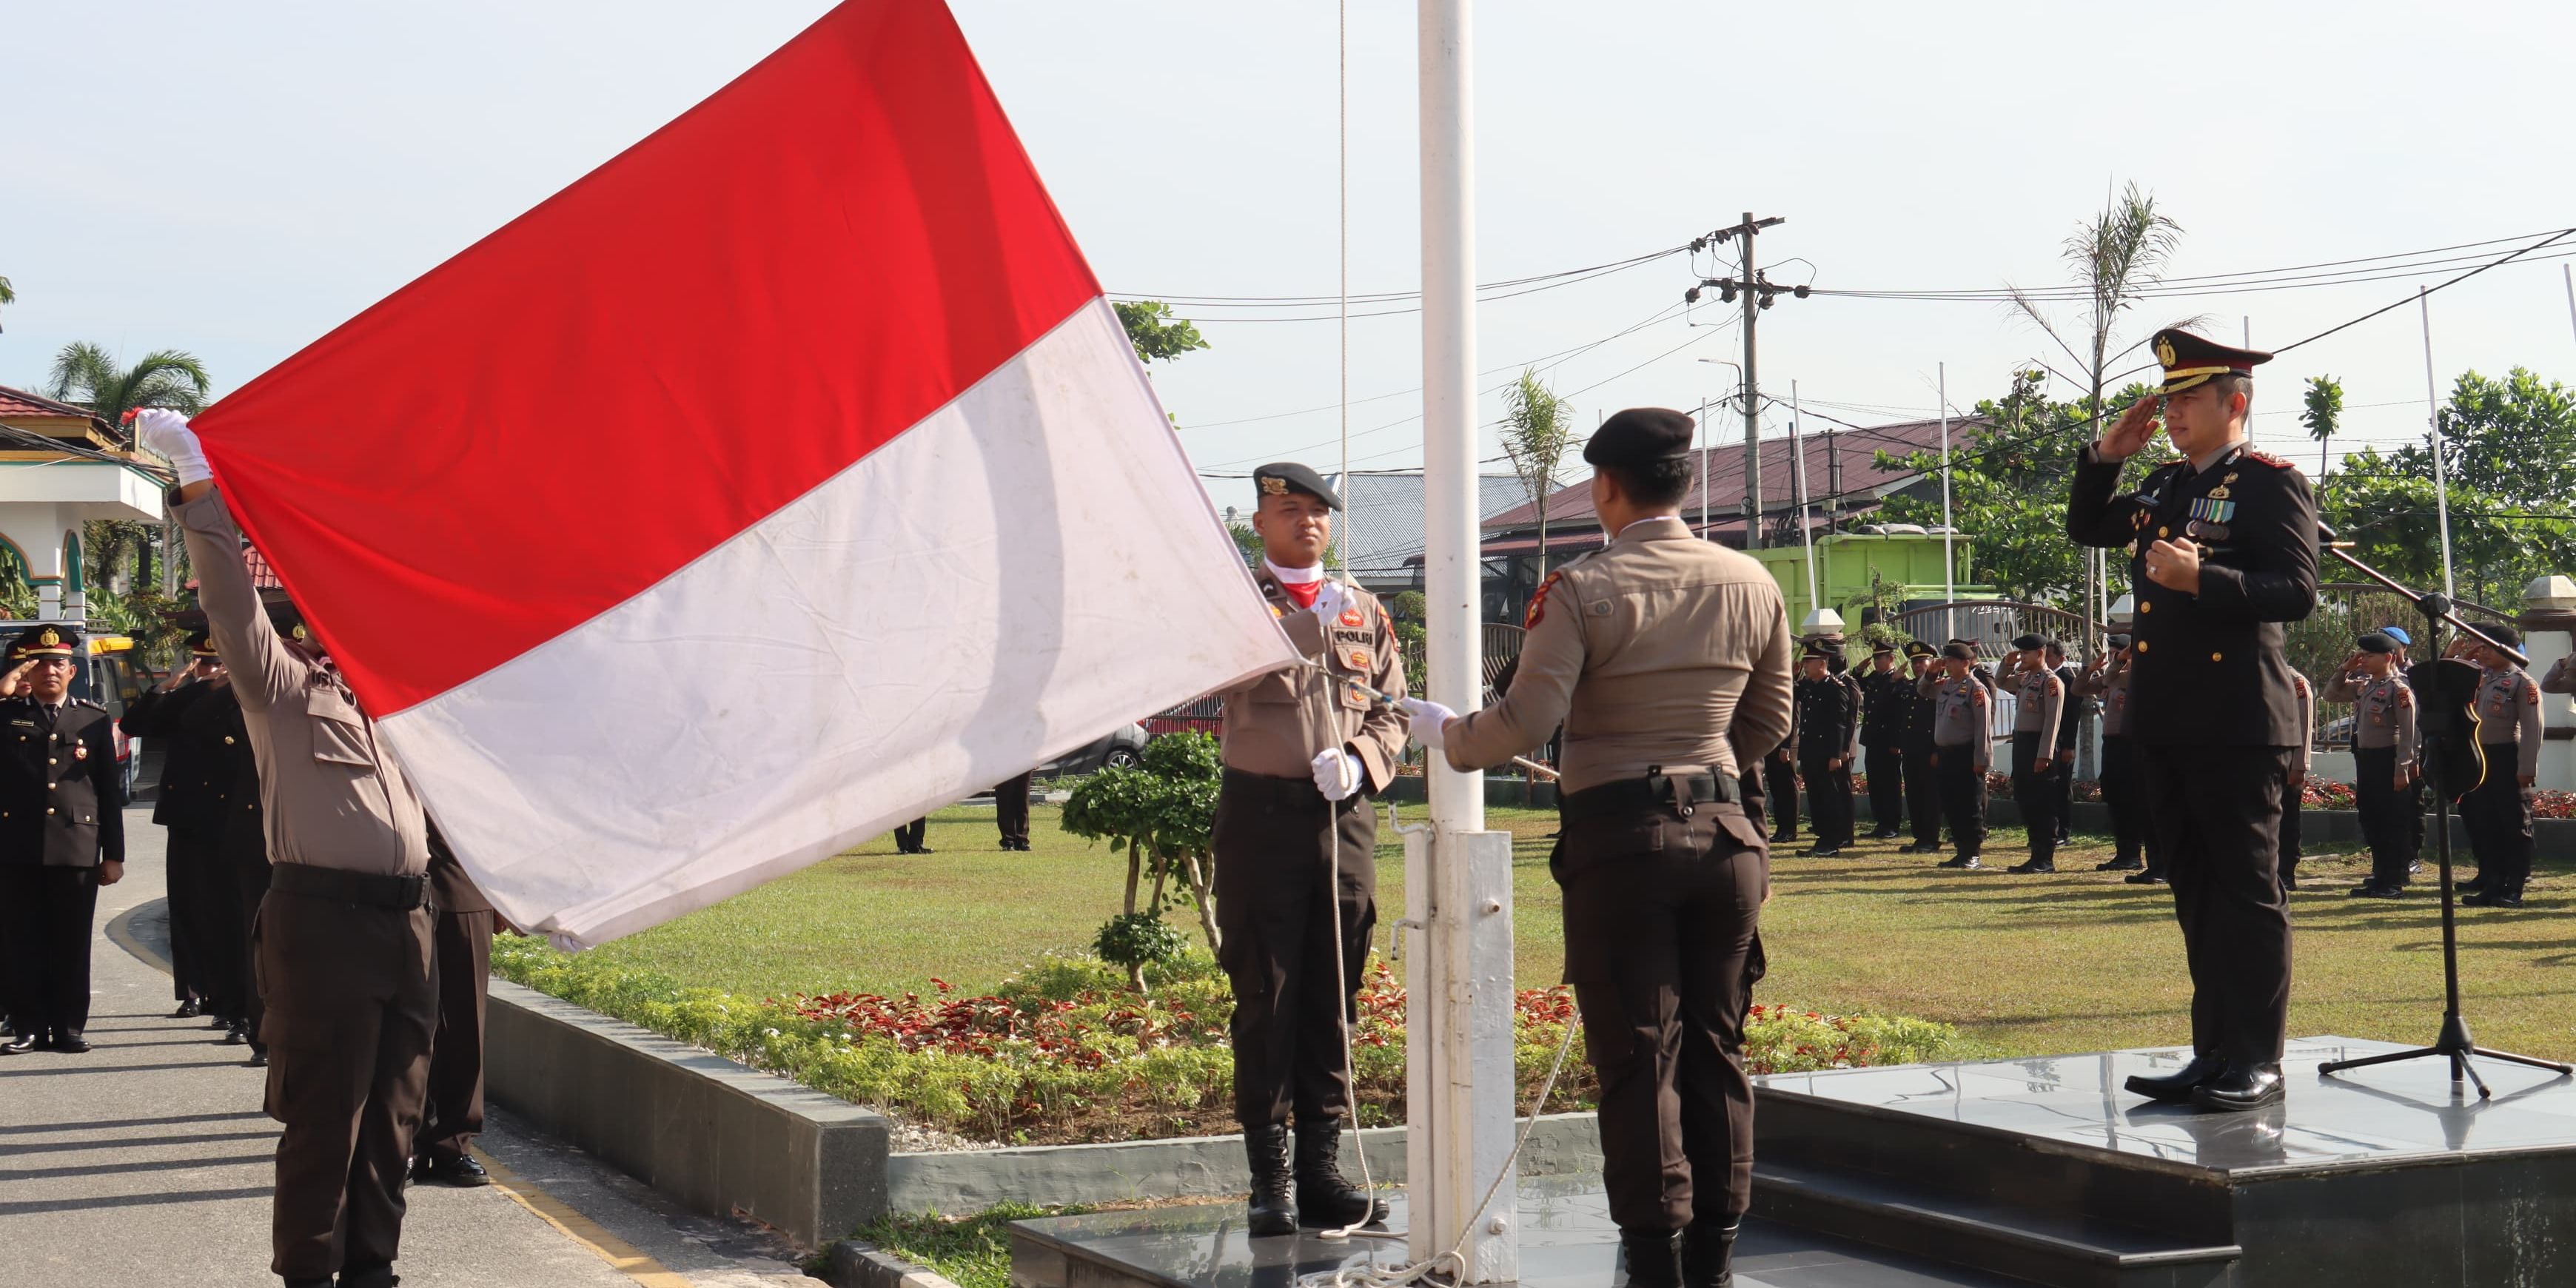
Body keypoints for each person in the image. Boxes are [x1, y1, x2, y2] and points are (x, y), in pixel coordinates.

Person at [1406, 407, 1791, 1288]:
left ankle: (1654, 1262)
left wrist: (1447, 735)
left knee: (1638, 1056)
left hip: (1623, 842)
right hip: (1727, 836)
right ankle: (1717, 1261)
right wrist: (1707, 766)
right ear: (1684, 483)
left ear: (1606, 487)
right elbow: (1768, 722)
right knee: (1717, 1048)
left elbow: (1527, 720)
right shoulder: (1751, 581)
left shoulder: (1582, 587)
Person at [138, 408, 438, 1288]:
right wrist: (197, 482)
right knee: (326, 1118)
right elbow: (228, 599)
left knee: (394, 1117)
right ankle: (309, 1273)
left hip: (406, 927)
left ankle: (372, 1271)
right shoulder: (280, 687)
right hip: (323, 922)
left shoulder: (391, 706)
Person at [2067, 328, 2319, 1113]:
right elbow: (2087, 526)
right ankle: (2214, 1053)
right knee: (2195, 892)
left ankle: (2258, 1059)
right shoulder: (2168, 485)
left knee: (2248, 896)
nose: (2172, 412)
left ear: (2234, 402)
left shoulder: (2272, 484)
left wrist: (2203, 577)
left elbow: (2296, 590)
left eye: (2188, 398)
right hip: (2168, 721)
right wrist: (2105, 458)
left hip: (2239, 721)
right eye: (2168, 399)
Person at [1206, 462, 1406, 1236]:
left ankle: (1322, 1171)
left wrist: (1361, 760)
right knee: (1268, 992)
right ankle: (1272, 1182)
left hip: (1340, 819)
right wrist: (1305, 623)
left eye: (1319, 511)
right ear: (1259, 522)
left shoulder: (1363, 608)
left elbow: (1389, 704)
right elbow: (1227, 672)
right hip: (1261, 817)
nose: (1308, 523)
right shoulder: (1237, 602)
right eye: (1289, 510)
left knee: (1333, 992)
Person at [0, 625, 126, 1056]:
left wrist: (115, 855)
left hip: (77, 845)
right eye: (40, 664)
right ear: (26, 670)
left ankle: (69, 1027)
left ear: (72, 671)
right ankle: (28, 1026)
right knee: (21, 939)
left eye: (58, 664)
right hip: (16, 845)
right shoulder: (7, 714)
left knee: (72, 942)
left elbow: (109, 791)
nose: (50, 671)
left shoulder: (92, 718)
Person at [416, 827, 497, 1187]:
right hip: (389, 879)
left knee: (465, 1022)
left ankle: (453, 1144)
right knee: (404, 1028)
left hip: (463, 878)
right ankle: (403, 1143)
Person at [2327, 634, 2418, 899]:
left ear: (2388, 657)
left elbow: (2410, 733)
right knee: (2372, 819)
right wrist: (2345, 668)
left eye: (2369, 656)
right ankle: (2380, 875)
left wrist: (2403, 768)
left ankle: (2393, 879)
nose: (2363, 660)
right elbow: (2330, 694)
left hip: (2388, 759)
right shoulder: (2365, 686)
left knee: (2391, 821)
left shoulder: (2399, 689)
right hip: (2366, 759)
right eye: (2362, 655)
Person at [2460, 625, 2543, 908]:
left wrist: (2527, 767)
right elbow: (2444, 677)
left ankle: (2514, 887)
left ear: (2506, 650)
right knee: (2486, 822)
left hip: (2508, 757)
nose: (2481, 651)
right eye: (2479, 646)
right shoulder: (2478, 678)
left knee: (2514, 824)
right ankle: (2493, 884)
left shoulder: (2522, 683)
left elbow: (2533, 728)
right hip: (2480, 759)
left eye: (2487, 646)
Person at [2075, 639, 2146, 873]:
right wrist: (2091, 668)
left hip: (2129, 744)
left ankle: (2132, 853)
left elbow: (2110, 678)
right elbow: (2077, 689)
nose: (2114, 658)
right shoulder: (2111, 678)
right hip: (2111, 744)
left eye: (2120, 654)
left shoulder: (2132, 677)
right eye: (2113, 654)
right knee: (2114, 796)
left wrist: (2118, 663)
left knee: (2130, 798)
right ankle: (2123, 852)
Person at [1924, 643, 1992, 870]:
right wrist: (1932, 673)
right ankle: (1961, 851)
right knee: (1951, 803)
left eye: (1952, 661)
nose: (1947, 665)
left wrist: (1981, 760)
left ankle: (1972, 854)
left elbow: (1983, 727)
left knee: (1969, 806)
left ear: (1966, 663)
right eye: (1946, 661)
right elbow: (1923, 690)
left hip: (1966, 755)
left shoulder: (1975, 688)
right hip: (1946, 755)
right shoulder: (1945, 686)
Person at [2003, 635, 2065, 874]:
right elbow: (2001, 681)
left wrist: (2045, 755)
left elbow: (2052, 722)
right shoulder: (2027, 679)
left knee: (2043, 804)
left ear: (2040, 653)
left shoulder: (2051, 682)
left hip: (2039, 746)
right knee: (2027, 801)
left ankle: (2045, 859)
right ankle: (2035, 855)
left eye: (2025, 653)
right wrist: (2007, 664)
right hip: (2022, 745)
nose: (2021, 657)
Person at [1794, 642, 1856, 856]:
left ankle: (1831, 841)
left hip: (1825, 753)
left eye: (1808, 662)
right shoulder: (1809, 685)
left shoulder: (1835, 688)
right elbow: (1792, 695)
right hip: (1810, 751)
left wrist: (1835, 754)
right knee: (1816, 797)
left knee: (1829, 797)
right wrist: (1793, 676)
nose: (1805, 665)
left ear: (1822, 663)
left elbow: (1839, 724)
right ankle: (1822, 839)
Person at [1856, 644, 1909, 840]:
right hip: (1873, 739)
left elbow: (1897, 715)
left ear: (1891, 659)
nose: (1877, 661)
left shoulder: (1899, 681)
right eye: (1875, 658)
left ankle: (1891, 824)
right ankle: (1880, 822)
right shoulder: (1874, 678)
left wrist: (1897, 742)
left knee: (1890, 783)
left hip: (1889, 741)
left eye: (1881, 658)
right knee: (1875, 782)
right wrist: (1859, 669)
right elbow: (1856, 684)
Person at [1899, 641, 1945, 854]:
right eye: (1914, 662)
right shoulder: (1907, 686)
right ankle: (1920, 837)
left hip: (1929, 751)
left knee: (1930, 796)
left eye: (1922, 662)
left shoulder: (1939, 687)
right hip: (1910, 750)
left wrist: (1936, 750)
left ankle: (1931, 838)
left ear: (1932, 663)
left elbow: (1940, 722)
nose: (1918, 666)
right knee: (1914, 794)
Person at [2045, 639, 2082, 846]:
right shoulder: (2044, 678)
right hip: (2047, 742)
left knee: (2061, 787)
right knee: (2048, 788)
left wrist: (2069, 745)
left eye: (2049, 656)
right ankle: (2050, 829)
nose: (2046, 659)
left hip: (2062, 742)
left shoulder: (2067, 680)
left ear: (2061, 658)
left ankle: (2064, 832)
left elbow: (2071, 715)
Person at [2281, 668, 2312, 892]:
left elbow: (2304, 724)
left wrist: (2300, 765)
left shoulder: (2295, 681)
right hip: (2263, 761)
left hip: (2288, 761)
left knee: (2287, 820)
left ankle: (2286, 873)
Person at [994, 770, 1035, 852]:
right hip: (1003, 762)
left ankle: (1022, 840)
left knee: (1023, 800)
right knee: (1005, 799)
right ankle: (1008, 841)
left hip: (1025, 761)